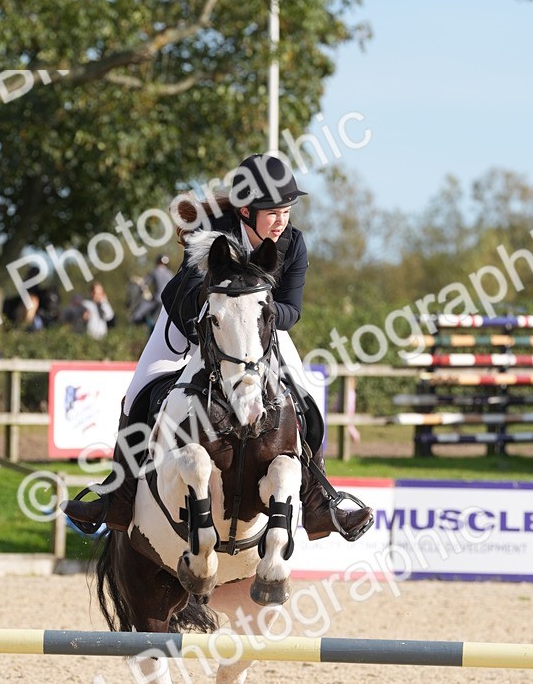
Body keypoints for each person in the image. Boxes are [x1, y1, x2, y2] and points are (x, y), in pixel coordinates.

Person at [64, 153, 372, 542]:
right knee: (138, 392)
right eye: (273, 212)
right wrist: (224, 310)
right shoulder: (212, 232)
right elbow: (185, 289)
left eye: (287, 211)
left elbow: (292, 310)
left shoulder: (293, 243)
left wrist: (252, 310)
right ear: (245, 210)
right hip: (189, 323)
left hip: (259, 330)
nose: (282, 221)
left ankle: (317, 500)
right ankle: (119, 495)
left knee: (307, 395)